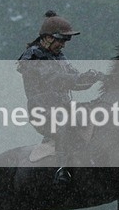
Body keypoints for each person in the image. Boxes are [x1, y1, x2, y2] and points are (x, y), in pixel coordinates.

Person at [17, 11, 103, 186]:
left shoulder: (58, 56)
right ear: (47, 38)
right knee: (67, 121)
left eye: (66, 40)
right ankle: (63, 170)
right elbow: (55, 79)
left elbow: (75, 81)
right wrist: (79, 79)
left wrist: (90, 78)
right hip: (43, 111)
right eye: (61, 40)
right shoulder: (33, 56)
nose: (64, 44)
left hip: (64, 106)